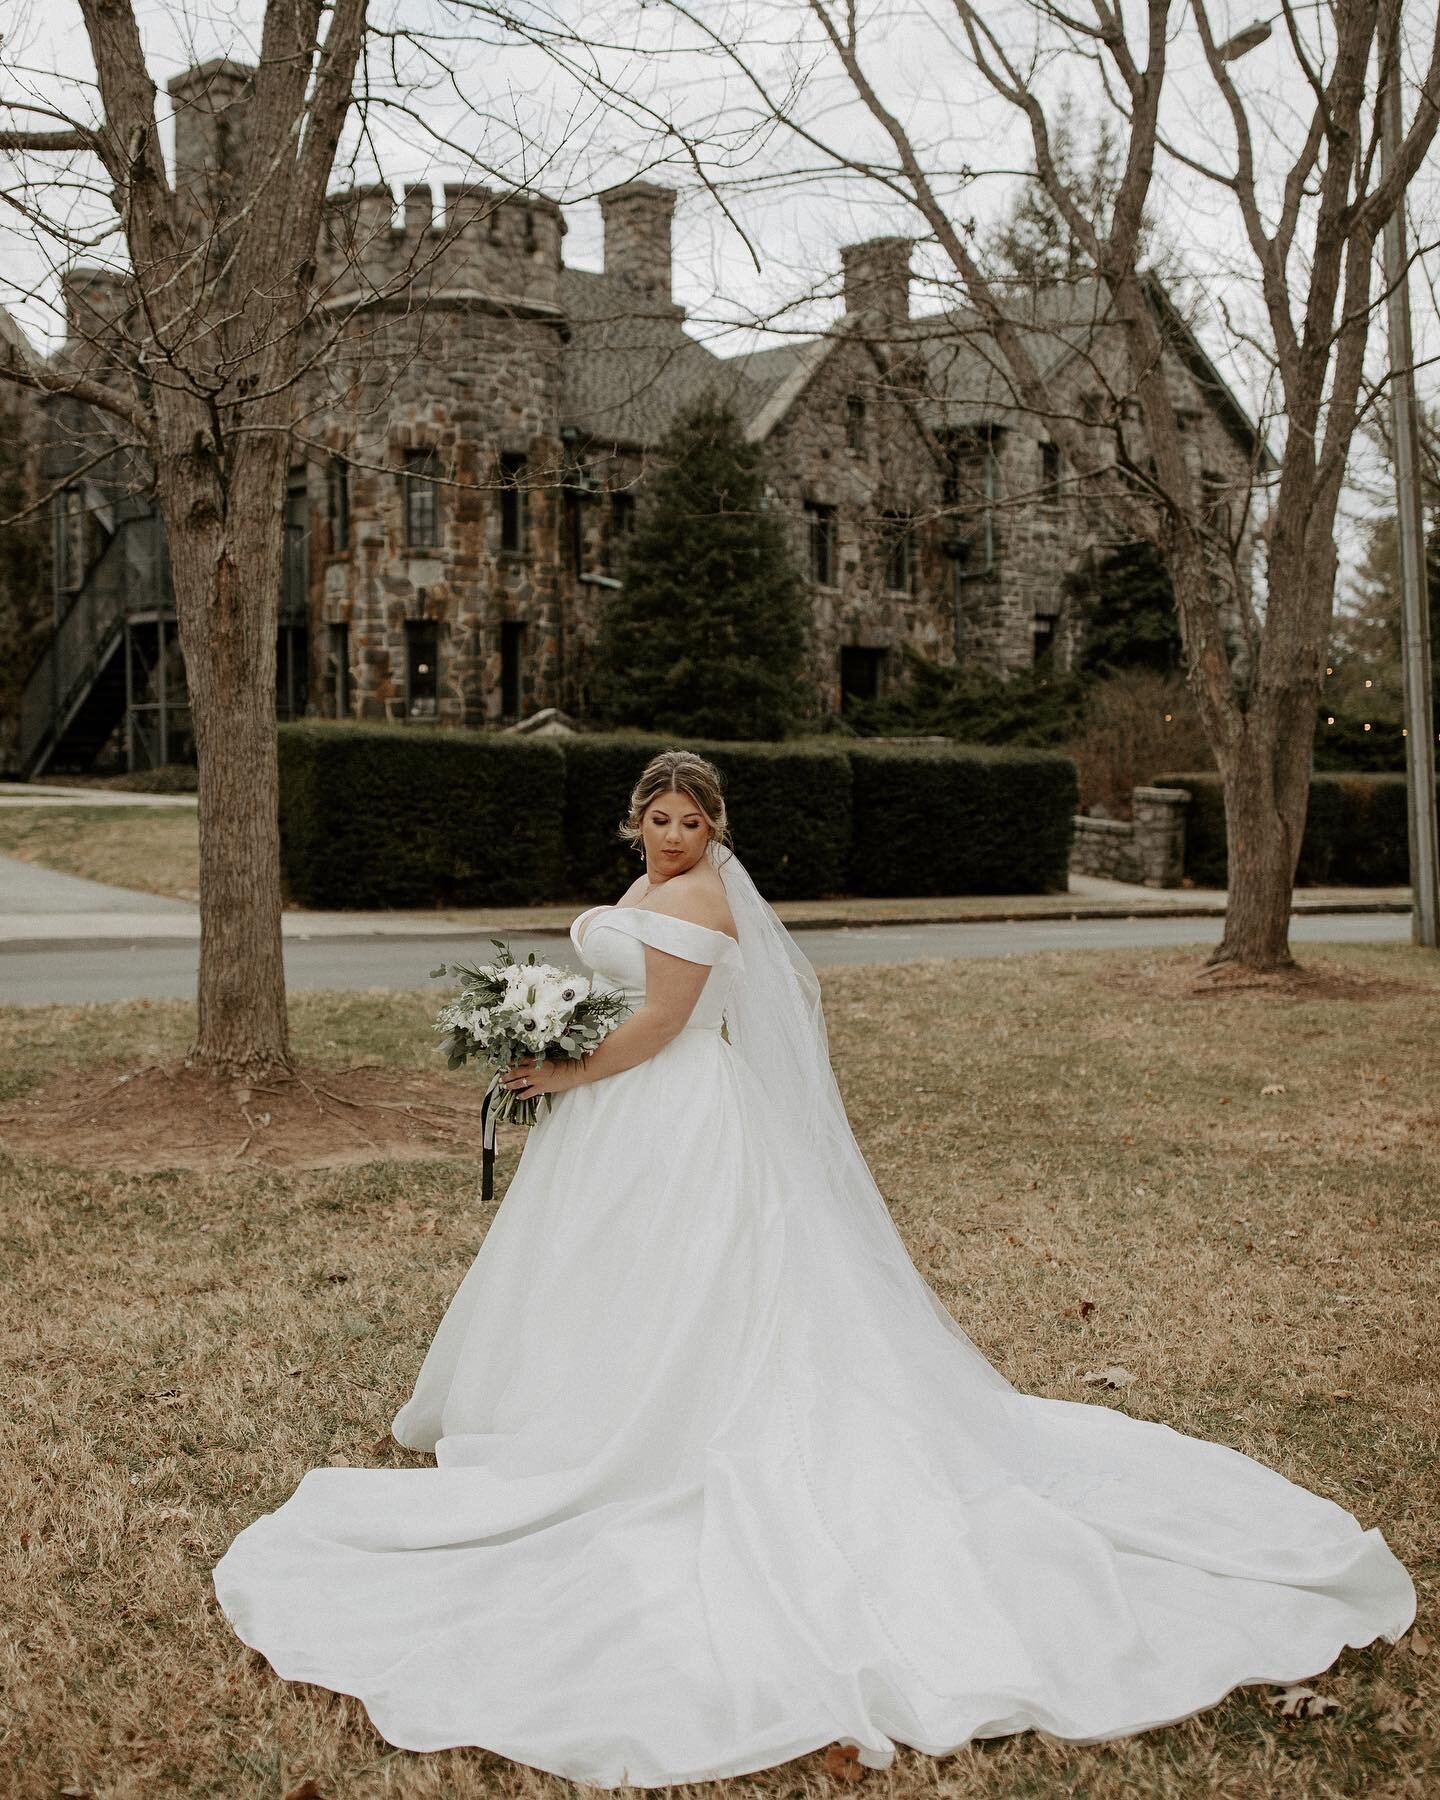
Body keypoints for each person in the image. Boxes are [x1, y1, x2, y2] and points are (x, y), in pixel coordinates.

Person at [214, 748, 1415, 1788]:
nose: (673, 834)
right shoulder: (648, 885)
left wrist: (565, 1071)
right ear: (635, 821)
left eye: (692, 821)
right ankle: (572, 1413)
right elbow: (609, 998)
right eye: (659, 817)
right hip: (620, 1124)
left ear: (714, 831)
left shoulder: (702, 906)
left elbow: (662, 1027)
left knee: (700, 1289)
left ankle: (657, 1432)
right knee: (603, 1279)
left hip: (673, 1112)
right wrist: (546, 1028)